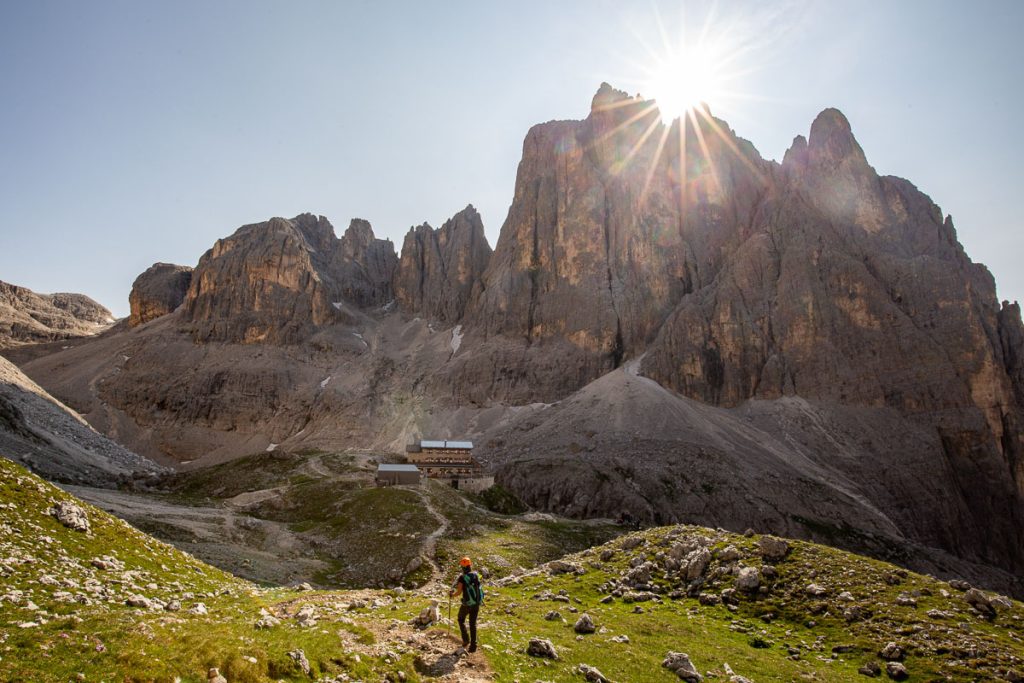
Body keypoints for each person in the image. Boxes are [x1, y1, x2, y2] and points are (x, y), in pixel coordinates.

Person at [449, 556, 483, 652]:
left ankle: (465, 640)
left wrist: (452, 595)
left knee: (461, 619)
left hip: (467, 604)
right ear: (470, 565)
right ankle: (473, 646)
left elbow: (459, 592)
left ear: (462, 567)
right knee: (473, 624)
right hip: (476, 603)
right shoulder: (476, 575)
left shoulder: (462, 577)